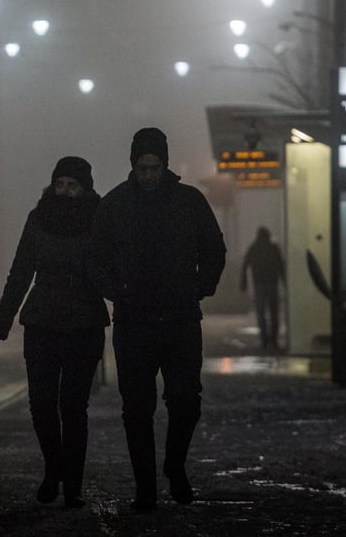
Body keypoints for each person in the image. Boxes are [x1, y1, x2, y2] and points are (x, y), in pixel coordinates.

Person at [91, 127, 226, 511]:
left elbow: (213, 248)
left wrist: (200, 286)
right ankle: (148, 485)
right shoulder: (118, 205)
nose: (148, 174)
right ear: (133, 165)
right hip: (137, 318)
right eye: (142, 167)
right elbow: (96, 257)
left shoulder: (185, 201)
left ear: (164, 164)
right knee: (137, 406)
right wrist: (116, 289)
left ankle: (171, 466)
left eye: (153, 167)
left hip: (177, 316)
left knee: (185, 400)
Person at [0, 156, 110, 508]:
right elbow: (21, 268)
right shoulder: (39, 218)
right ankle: (53, 469)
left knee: (74, 406)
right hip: (42, 318)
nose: (65, 191)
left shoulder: (99, 219)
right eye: (60, 184)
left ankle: (72, 484)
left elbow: (114, 266)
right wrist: (5, 315)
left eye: (72, 186)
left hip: (84, 321)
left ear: (85, 188)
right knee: (41, 403)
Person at [240, 227, 286, 352]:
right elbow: (281, 265)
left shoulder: (254, 248)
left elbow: (245, 265)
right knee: (274, 313)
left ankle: (264, 340)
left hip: (259, 284)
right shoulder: (273, 248)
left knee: (261, 314)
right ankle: (274, 341)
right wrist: (285, 281)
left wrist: (243, 283)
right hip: (272, 283)